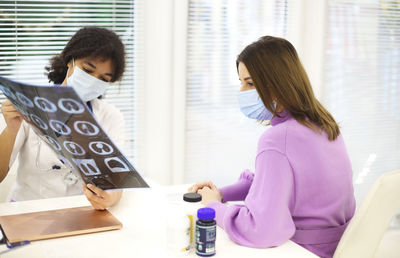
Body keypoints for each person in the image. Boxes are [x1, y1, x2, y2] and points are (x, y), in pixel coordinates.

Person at [189, 36, 356, 258]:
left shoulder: (278, 139)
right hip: (336, 248)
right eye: (241, 82)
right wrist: (219, 194)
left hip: (302, 252)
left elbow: (263, 230)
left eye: (249, 83)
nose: (242, 92)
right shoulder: (323, 125)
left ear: (277, 83)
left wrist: (214, 208)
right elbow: (278, 187)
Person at [0, 27, 126, 210]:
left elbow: (118, 179)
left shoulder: (110, 116)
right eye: (87, 70)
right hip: (27, 211)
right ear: (70, 61)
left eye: (103, 78)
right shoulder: (28, 103)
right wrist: (11, 130)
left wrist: (110, 198)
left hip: (80, 214)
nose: (93, 80)